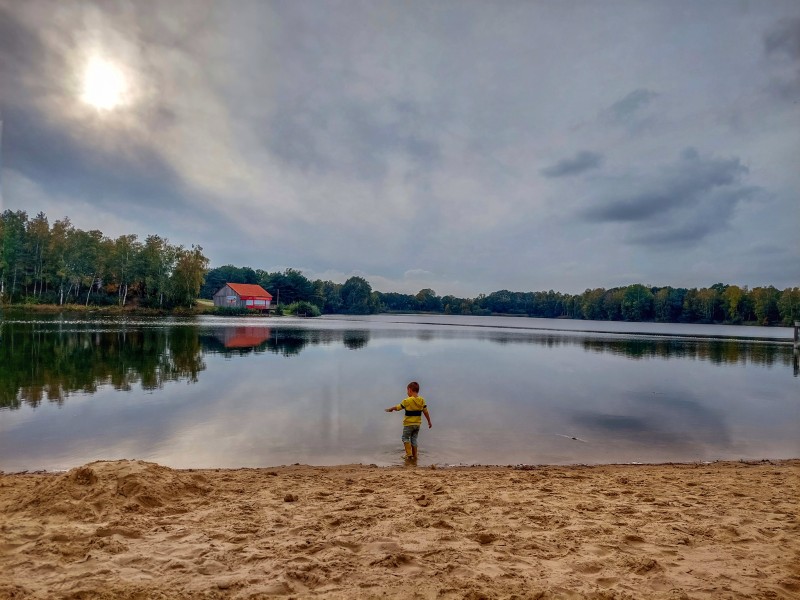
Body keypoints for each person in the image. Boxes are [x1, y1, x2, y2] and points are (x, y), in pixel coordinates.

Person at [385, 381, 432, 461]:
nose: (407, 392)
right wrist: (429, 421)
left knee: (405, 438)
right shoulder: (422, 400)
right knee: (414, 439)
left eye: (407, 391)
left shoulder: (407, 401)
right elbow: (426, 412)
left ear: (410, 390)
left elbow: (398, 407)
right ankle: (415, 456)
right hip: (417, 424)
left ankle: (409, 455)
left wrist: (391, 409)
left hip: (408, 424)